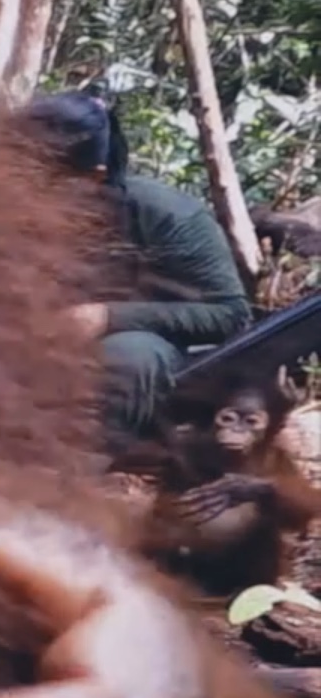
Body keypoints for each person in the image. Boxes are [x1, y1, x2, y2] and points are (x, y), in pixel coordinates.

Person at [15, 91, 254, 452]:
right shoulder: (9, 209)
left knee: (129, 355)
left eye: (41, 182)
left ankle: (74, 463)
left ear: (91, 178)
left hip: (150, 356)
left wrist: (107, 317)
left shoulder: (167, 216)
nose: (26, 192)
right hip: (40, 339)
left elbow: (230, 314)